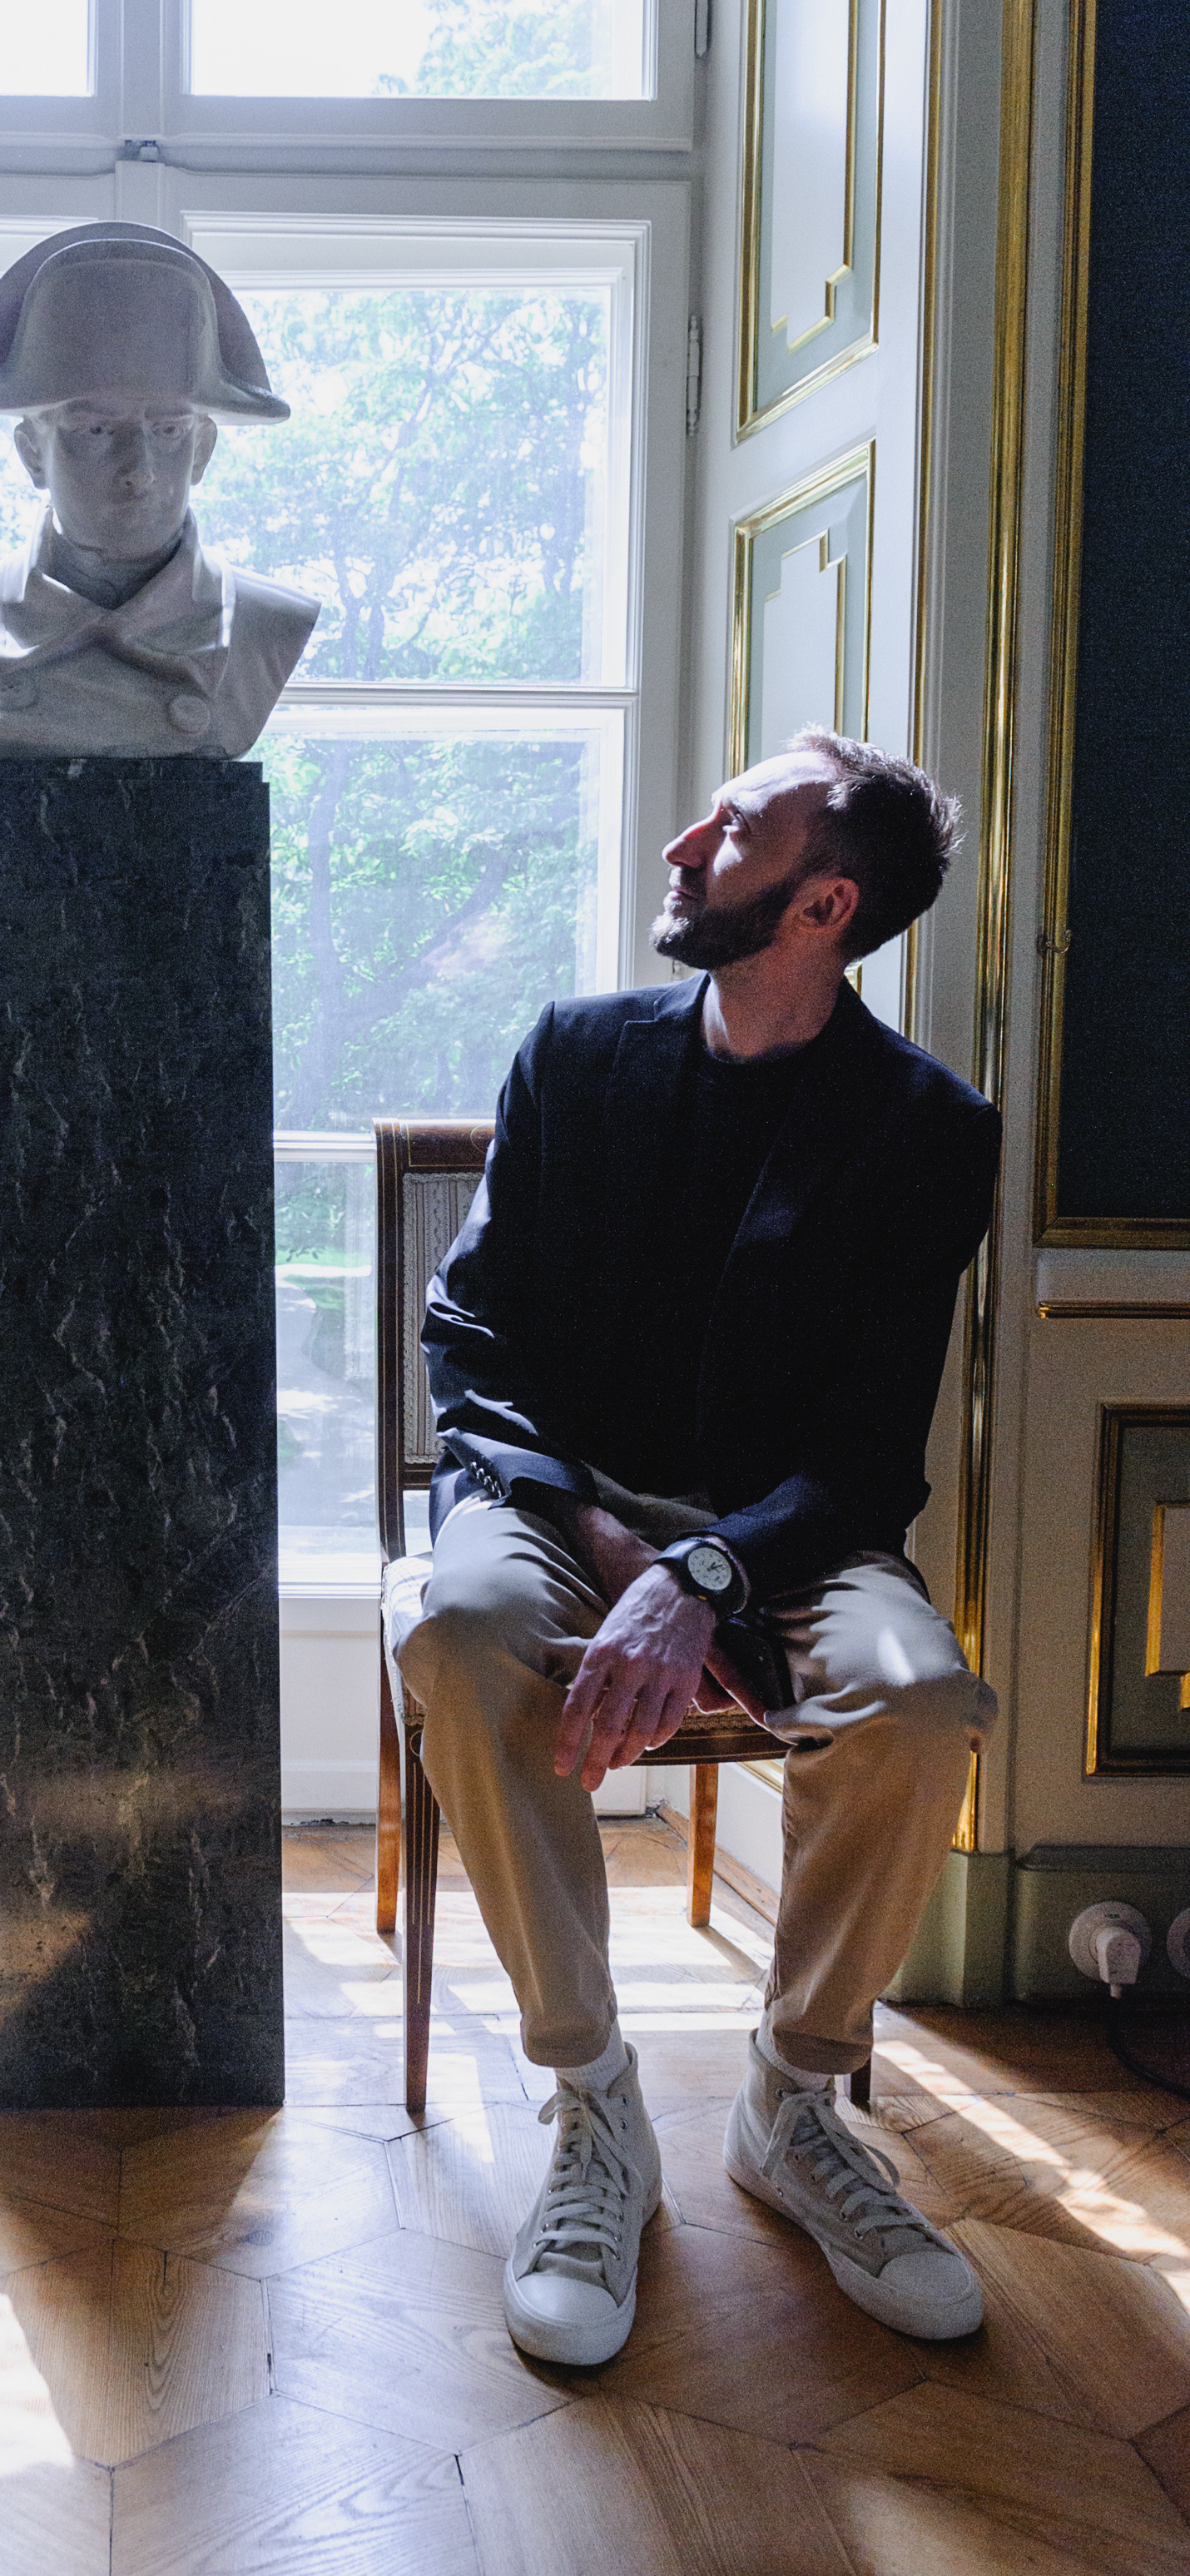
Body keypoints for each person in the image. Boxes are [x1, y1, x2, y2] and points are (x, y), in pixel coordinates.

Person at [393, 729, 1000, 2366]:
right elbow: (469, 1332)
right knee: (460, 1631)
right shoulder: (574, 1053)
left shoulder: (927, 1127)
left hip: (784, 1531)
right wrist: (601, 1531)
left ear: (824, 903)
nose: (682, 844)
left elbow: (867, 1448)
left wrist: (704, 1572)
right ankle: (595, 2105)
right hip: (555, 1498)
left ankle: (792, 2106)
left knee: (917, 1697)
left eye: (729, 828)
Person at [0, 222, 318, 759]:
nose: (138, 470)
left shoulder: (267, 625)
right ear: (32, 453)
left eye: (168, 430)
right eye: (96, 429)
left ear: (202, 450)